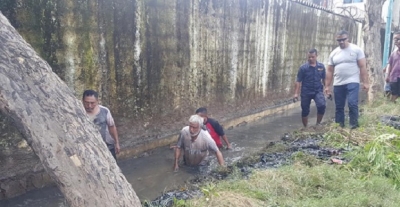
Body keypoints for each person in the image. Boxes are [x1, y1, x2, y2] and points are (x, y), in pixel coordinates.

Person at [325, 30, 369, 129]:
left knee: (352, 103)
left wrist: (365, 82)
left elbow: (362, 67)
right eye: (339, 40)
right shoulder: (334, 53)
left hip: (352, 81)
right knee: (339, 107)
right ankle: (339, 127)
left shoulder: (356, 50)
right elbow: (329, 71)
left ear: (347, 38)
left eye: (343, 39)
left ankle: (354, 126)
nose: (341, 42)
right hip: (338, 83)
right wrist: (327, 86)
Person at [82, 90, 120, 160]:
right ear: (82, 101)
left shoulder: (104, 111)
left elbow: (111, 127)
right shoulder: (79, 112)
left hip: (107, 145)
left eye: (92, 103)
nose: (89, 106)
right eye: (86, 103)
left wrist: (116, 142)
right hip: (89, 149)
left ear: (97, 101)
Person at [293, 49, 326, 127]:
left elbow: (324, 78)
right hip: (306, 91)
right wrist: (296, 94)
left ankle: (318, 124)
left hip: (318, 90)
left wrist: (327, 88)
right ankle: (305, 127)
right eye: (309, 57)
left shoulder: (321, 67)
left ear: (316, 56)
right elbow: (298, 81)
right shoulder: (303, 68)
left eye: (312, 57)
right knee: (305, 109)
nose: (311, 59)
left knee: (322, 105)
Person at [385, 31, 400, 103]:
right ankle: (391, 109)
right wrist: (387, 75)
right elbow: (389, 64)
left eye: (398, 39)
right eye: (395, 39)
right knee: (393, 94)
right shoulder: (393, 54)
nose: (396, 41)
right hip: (394, 78)